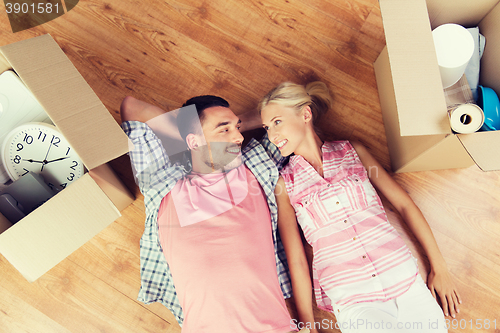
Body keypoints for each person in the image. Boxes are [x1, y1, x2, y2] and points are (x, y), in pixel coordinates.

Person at [259, 82, 461, 333]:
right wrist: (307, 324)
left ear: (306, 114)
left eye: (277, 122)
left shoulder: (352, 151)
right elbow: (297, 258)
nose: (271, 135)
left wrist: (439, 268)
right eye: (267, 127)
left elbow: (404, 204)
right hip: (353, 300)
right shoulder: (284, 183)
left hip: (406, 280)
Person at [120, 95, 309, 333]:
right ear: (193, 140)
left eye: (238, 128)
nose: (239, 136)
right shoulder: (164, 185)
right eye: (224, 129)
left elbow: (289, 109)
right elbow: (131, 106)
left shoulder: (256, 166)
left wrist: (226, 128)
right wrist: (188, 132)